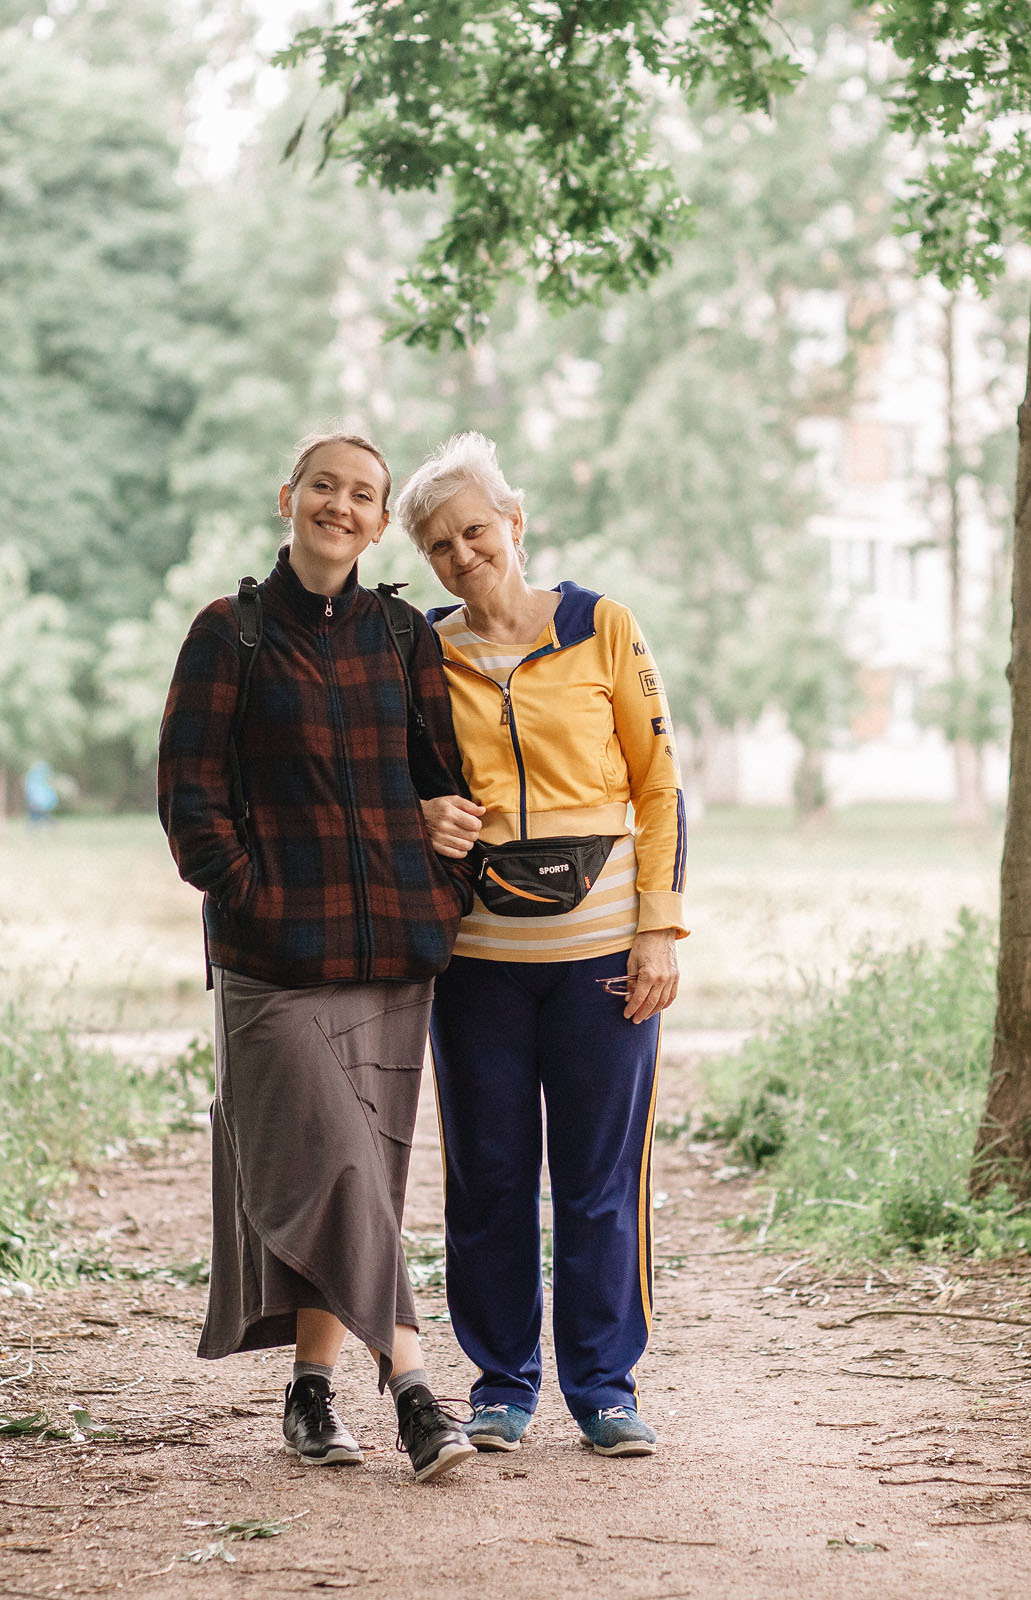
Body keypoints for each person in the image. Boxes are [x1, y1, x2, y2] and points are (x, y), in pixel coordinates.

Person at [157, 431, 479, 1484]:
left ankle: (310, 1390)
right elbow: (190, 802)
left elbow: (444, 784)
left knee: (364, 1175)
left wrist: (441, 885)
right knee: (334, 1164)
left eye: (363, 496)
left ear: (381, 523)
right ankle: (417, 1389)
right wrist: (253, 897)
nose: (341, 507)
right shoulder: (228, 634)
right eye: (324, 487)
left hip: (390, 950)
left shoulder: (400, 636)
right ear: (286, 496)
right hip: (273, 962)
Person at [395, 432, 688, 1460]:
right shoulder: (420, 652)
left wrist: (659, 927)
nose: (461, 553)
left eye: (474, 529)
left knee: (600, 1179)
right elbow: (394, 787)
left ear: (515, 523)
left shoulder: (602, 626)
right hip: (475, 963)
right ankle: (502, 1385)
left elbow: (659, 786)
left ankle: (605, 1387)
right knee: (487, 1172)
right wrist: (426, 813)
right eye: (437, 543)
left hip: (605, 954)